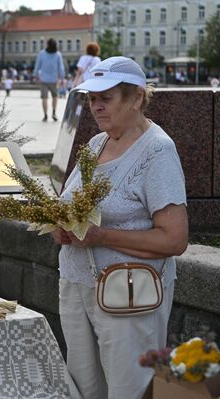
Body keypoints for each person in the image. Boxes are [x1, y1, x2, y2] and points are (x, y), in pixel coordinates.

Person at [53, 56, 188, 399]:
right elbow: (71, 205)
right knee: (84, 388)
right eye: (91, 99)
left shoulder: (157, 151)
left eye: (106, 98)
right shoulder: (98, 143)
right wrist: (60, 227)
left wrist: (100, 236)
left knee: (129, 389)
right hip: (78, 286)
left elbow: (174, 239)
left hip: (128, 295)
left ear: (137, 97)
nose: (95, 107)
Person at [34, 38, 66, 122]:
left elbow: (37, 65)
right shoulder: (58, 54)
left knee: (44, 98)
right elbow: (61, 67)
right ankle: (54, 113)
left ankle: (45, 115)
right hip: (54, 79)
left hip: (43, 79)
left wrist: (35, 75)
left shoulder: (41, 53)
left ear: (47, 45)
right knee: (55, 97)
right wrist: (62, 78)